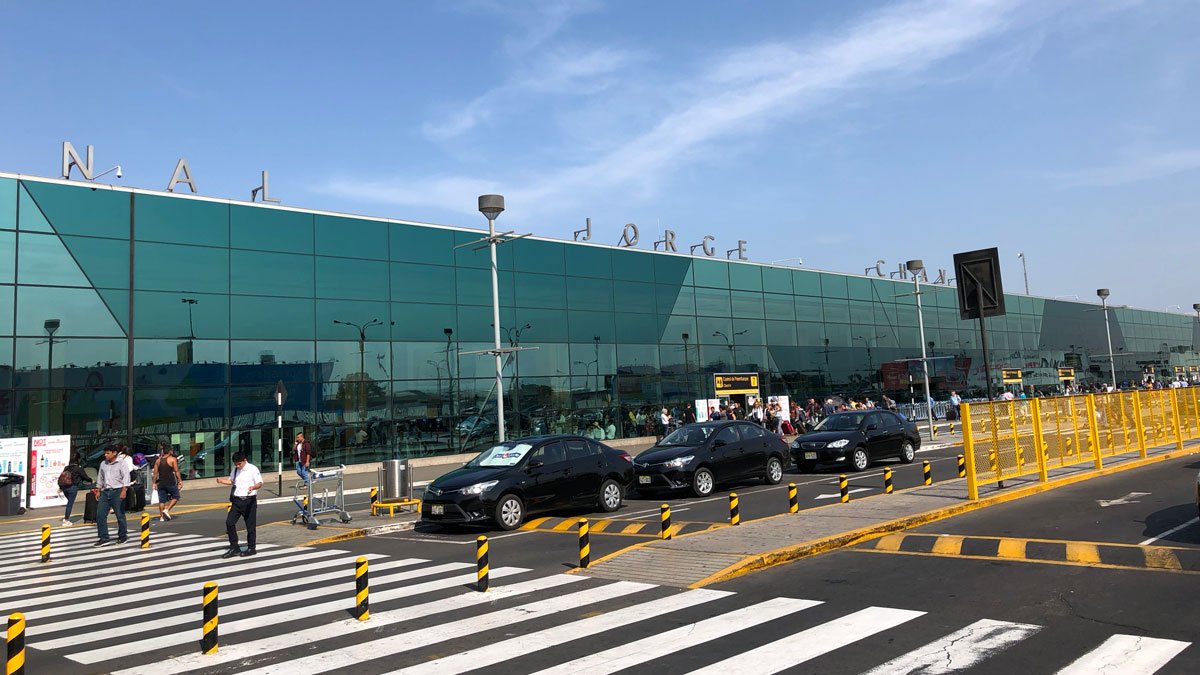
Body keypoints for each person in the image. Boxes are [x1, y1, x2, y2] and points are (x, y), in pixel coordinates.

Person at [216, 451, 263, 558]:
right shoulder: (235, 470)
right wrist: (222, 481)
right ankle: (234, 547)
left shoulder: (252, 469)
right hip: (237, 501)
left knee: (250, 526)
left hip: (249, 500)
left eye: (239, 464)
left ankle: (251, 548)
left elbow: (260, 483)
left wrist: (253, 487)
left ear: (244, 460)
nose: (237, 466)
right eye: (236, 464)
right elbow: (232, 481)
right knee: (229, 523)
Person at [92, 446, 131, 546]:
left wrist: (124, 490)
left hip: (117, 491)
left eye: (107, 453)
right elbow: (100, 478)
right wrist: (98, 490)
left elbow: (126, 477)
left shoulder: (122, 463)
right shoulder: (103, 464)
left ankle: (123, 536)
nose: (105, 455)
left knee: (120, 515)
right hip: (105, 491)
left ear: (114, 453)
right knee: (100, 515)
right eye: (105, 453)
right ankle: (103, 537)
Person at [152, 443, 183, 522]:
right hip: (170, 482)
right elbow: (176, 471)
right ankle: (167, 509)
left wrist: (154, 483)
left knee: (162, 501)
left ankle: (161, 517)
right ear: (170, 452)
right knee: (176, 496)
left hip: (161, 483)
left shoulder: (158, 461)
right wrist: (180, 481)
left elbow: (155, 473)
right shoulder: (173, 459)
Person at [58, 453, 88, 527]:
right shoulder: (78, 468)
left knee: (69, 502)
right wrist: (91, 480)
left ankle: (66, 518)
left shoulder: (66, 467)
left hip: (65, 487)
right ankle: (66, 520)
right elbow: (85, 476)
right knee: (70, 504)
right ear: (78, 459)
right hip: (73, 487)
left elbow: (63, 477)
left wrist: (61, 487)